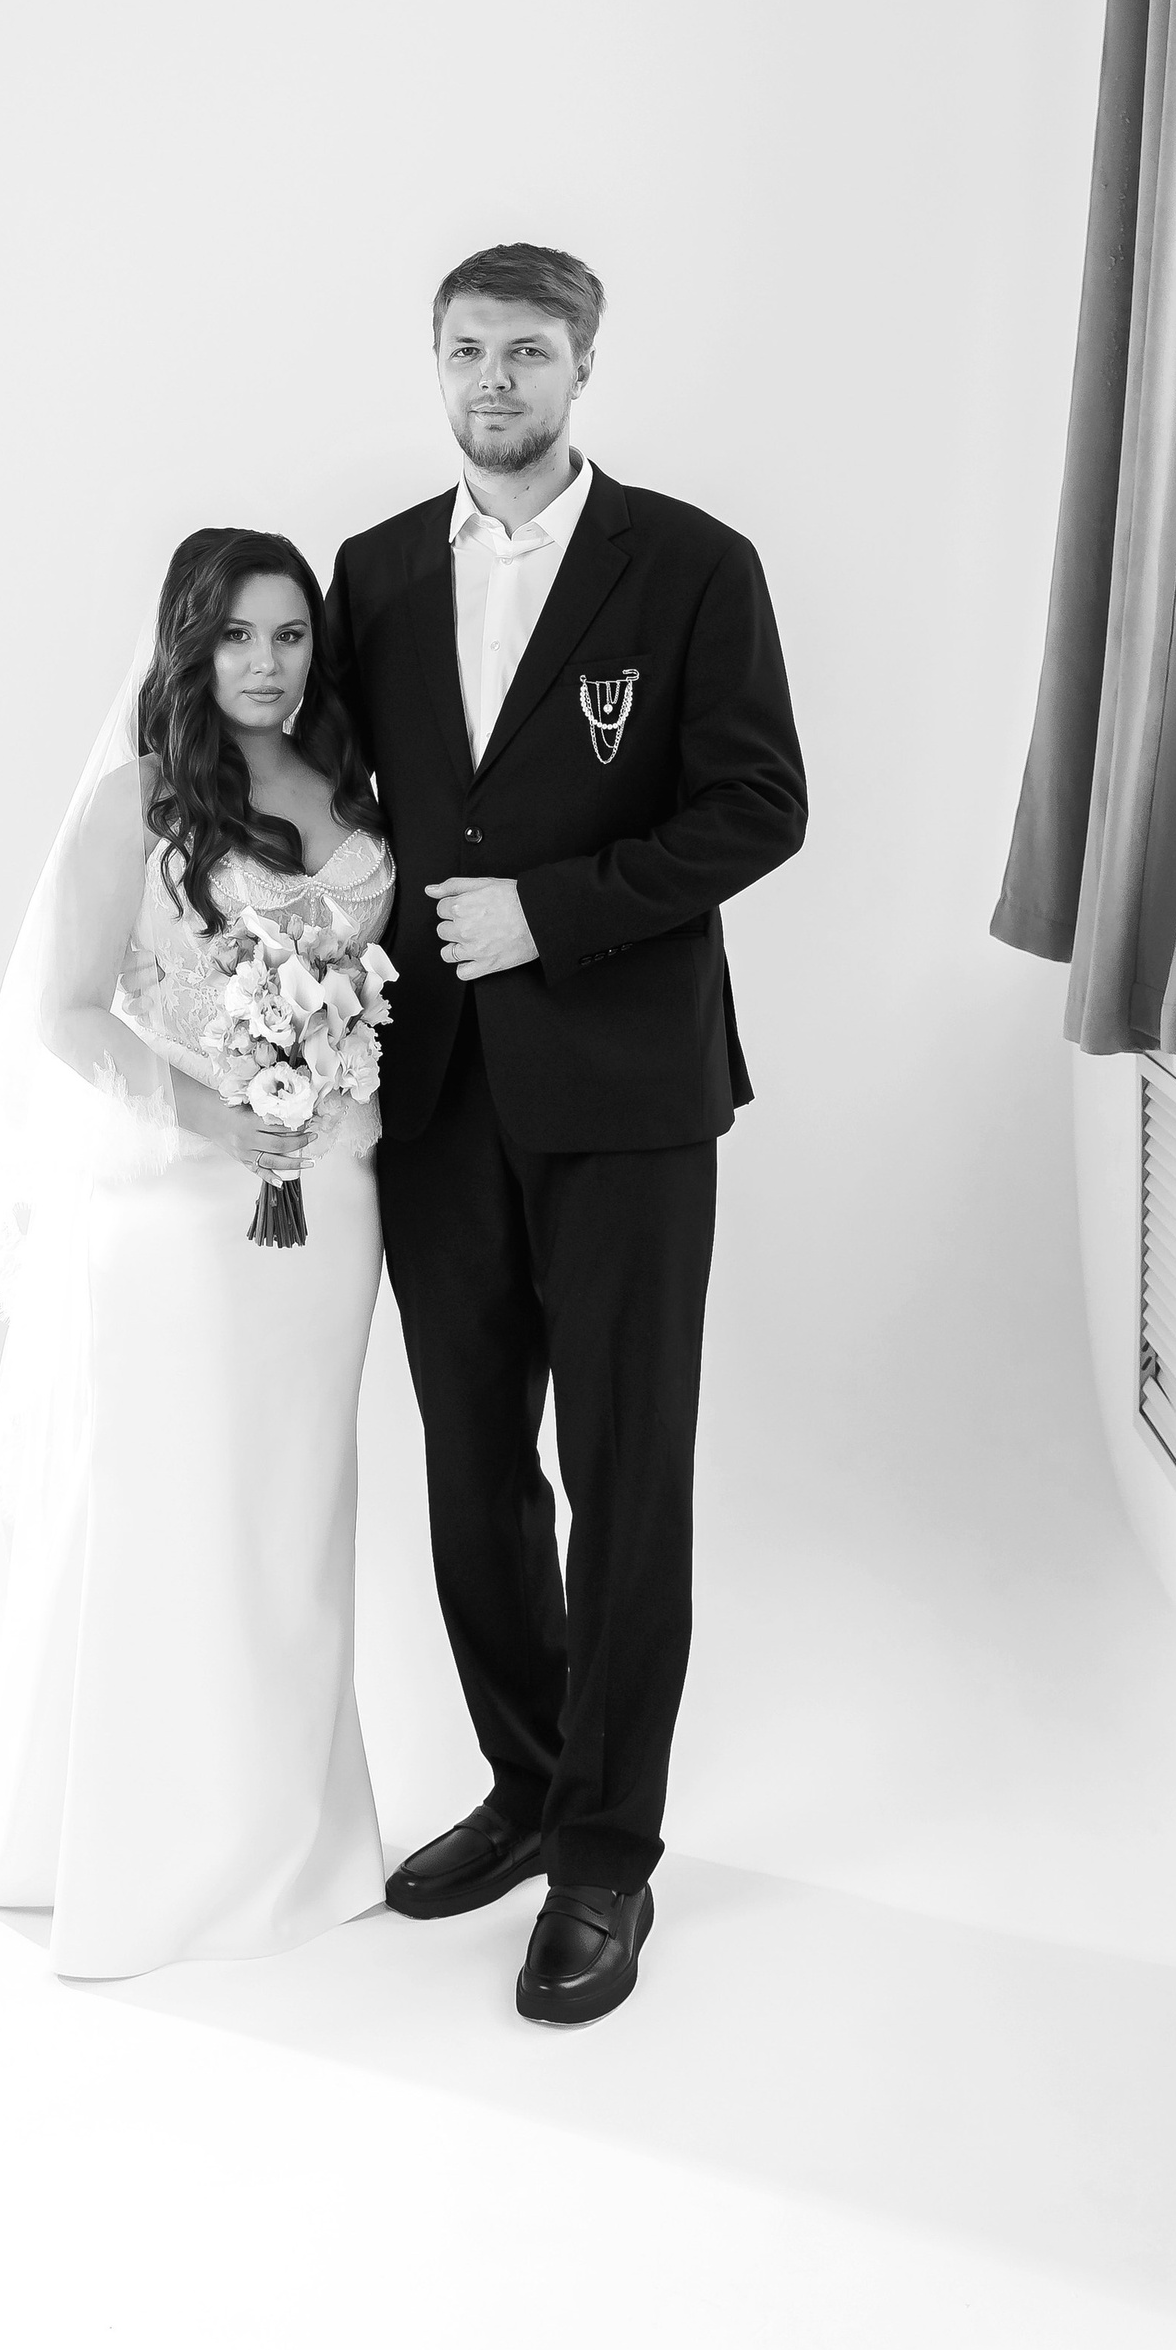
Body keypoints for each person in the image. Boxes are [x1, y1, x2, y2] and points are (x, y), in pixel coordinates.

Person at [325, 243, 807, 2026]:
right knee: (472, 1471)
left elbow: (761, 803)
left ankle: (608, 1852)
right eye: (467, 350)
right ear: (435, 363)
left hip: (627, 1098)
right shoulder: (375, 572)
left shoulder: (691, 565)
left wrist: (553, 910)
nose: (495, 381)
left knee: (624, 1472)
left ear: (584, 366)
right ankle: (526, 1786)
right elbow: (337, 804)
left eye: (528, 351)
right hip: (435, 1098)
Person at [0, 529, 393, 1976]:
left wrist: (319, 1091)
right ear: (190, 648)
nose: (267, 664)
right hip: (183, 1212)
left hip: (331, 1207)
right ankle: (153, 1852)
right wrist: (221, 1115)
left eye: (291, 634)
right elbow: (67, 1010)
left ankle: (292, 1836)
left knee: (294, 1513)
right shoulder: (140, 798)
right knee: (181, 1508)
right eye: (239, 637)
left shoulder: (350, 784)